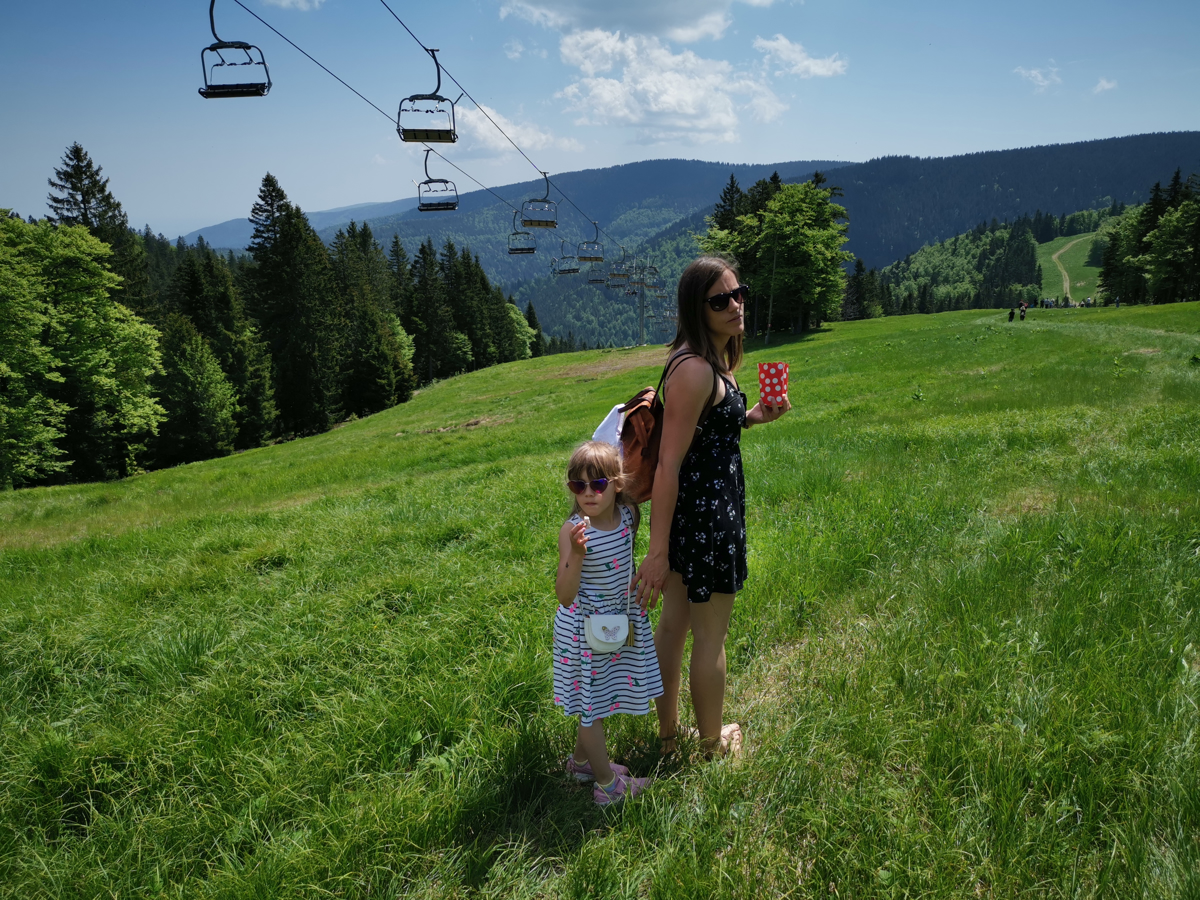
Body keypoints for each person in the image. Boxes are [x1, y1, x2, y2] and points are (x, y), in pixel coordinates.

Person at [633, 256, 791, 759]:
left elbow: (707, 432)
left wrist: (751, 416)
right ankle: (711, 746)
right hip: (706, 522)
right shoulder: (696, 369)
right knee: (709, 637)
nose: (735, 305)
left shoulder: (705, 362)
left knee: (675, 626)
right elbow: (668, 465)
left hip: (697, 518)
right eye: (720, 300)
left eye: (739, 294)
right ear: (696, 309)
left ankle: (668, 737)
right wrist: (657, 553)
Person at [554, 441, 663, 805]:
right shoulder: (573, 531)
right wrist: (577, 555)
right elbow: (564, 595)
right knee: (592, 708)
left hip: (616, 620)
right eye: (578, 485)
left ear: (617, 484)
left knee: (595, 698)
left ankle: (581, 763)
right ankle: (607, 786)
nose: (588, 493)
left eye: (598, 484)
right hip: (582, 631)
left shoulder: (628, 516)